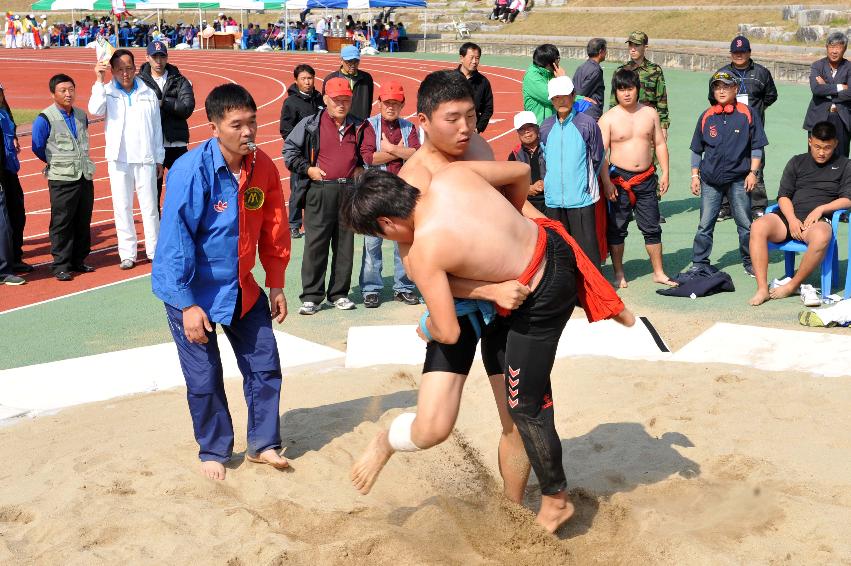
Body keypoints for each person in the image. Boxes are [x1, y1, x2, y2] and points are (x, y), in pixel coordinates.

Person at [343, 162, 631, 535]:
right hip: (549, 251)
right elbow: (520, 173)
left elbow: (446, 331)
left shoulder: (425, 249)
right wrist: (510, 224)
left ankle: (556, 499)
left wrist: (424, 326)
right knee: (509, 375)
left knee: (524, 404)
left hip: (541, 296)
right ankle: (513, 506)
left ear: (385, 224)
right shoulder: (452, 176)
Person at [152, 84, 291, 481]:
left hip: (241, 287)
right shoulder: (189, 172)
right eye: (237, 125)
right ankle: (214, 448)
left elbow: (274, 225)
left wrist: (276, 281)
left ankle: (263, 444)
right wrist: (186, 304)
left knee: (265, 365)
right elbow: (175, 241)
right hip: (192, 290)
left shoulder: (262, 166)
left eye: (252, 123)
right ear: (214, 127)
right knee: (205, 376)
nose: (248, 133)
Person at [283, 77, 376, 315]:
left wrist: (362, 166)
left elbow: (368, 150)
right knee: (316, 245)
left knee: (345, 246)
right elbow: (289, 150)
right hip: (320, 190)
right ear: (325, 99)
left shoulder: (360, 125)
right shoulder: (310, 123)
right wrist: (308, 169)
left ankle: (339, 294)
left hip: (348, 191)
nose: (341, 105)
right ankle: (312, 296)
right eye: (336, 100)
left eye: (346, 100)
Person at [749, 121, 851, 305]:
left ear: (835, 143)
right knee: (758, 226)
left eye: (827, 147)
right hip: (788, 217)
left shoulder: (845, 165)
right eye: (818, 146)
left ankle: (792, 285)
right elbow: (783, 197)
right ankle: (762, 288)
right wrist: (792, 219)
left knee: (821, 236)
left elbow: (847, 200)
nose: (822, 152)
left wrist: (821, 208)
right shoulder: (797, 161)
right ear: (810, 141)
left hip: (817, 221)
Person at [89, 49, 164, 269]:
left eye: (129, 68)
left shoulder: (148, 93)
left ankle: (153, 250)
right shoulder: (107, 92)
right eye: (120, 69)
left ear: (135, 68)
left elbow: (157, 128)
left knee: (150, 207)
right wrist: (98, 79)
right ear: (112, 70)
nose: (125, 73)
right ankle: (127, 254)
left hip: (145, 157)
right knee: (122, 207)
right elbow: (94, 109)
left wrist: (159, 157)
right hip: (119, 158)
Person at [599, 68, 674, 288]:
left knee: (651, 226)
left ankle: (658, 272)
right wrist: (606, 182)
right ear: (616, 92)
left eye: (630, 88)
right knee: (617, 228)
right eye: (621, 89)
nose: (626, 94)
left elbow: (659, 143)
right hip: (618, 180)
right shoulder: (608, 119)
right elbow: (600, 155)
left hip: (646, 178)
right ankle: (619, 273)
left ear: (638, 89)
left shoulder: (650, 113)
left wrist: (666, 172)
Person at [688, 71, 768, 278]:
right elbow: (697, 149)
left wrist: (753, 173)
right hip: (710, 180)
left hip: (739, 179)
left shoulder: (748, 114)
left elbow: (757, 147)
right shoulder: (706, 116)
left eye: (726, 86)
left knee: (745, 224)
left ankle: (750, 262)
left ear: (735, 89)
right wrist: (694, 176)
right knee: (705, 224)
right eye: (717, 87)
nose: (721, 90)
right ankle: (699, 262)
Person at [541, 76, 613, 267]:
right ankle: (567, 293)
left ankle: (592, 292)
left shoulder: (587, 124)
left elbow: (597, 157)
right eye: (556, 97)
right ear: (551, 100)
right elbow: (544, 161)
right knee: (559, 253)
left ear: (573, 96)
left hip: (581, 199)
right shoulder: (545, 127)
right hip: (554, 200)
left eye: (565, 96)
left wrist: (584, 185)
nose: (561, 100)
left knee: (587, 252)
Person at [361, 81, 421, 308]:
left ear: (403, 104)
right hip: (375, 193)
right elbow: (369, 158)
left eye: (395, 103)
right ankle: (371, 288)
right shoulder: (369, 126)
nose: (391, 107)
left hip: (402, 194)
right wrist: (400, 154)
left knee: (402, 244)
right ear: (379, 103)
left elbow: (416, 154)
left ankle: (403, 287)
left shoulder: (409, 127)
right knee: (372, 244)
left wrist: (391, 149)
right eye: (387, 103)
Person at [31, 74, 96, 281]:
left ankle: (78, 260)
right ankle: (60, 264)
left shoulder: (80, 114)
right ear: (53, 94)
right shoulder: (44, 118)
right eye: (63, 91)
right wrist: (55, 162)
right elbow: (37, 146)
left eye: (71, 89)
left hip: (84, 175)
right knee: (62, 222)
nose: (68, 94)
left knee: (82, 219)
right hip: (61, 178)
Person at [713, 35, 778, 221]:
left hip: (753, 129)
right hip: (727, 129)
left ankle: (757, 206)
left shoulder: (761, 72)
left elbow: (771, 95)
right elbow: (714, 98)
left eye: (743, 52)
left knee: (756, 165)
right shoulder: (722, 74)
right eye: (735, 52)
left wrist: (756, 111)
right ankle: (726, 206)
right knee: (727, 164)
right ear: (731, 53)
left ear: (749, 52)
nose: (739, 55)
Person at [138, 40, 195, 215]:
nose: (158, 61)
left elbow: (187, 107)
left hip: (176, 144)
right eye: (154, 56)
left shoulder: (179, 80)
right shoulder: (139, 82)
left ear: (167, 57)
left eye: (162, 56)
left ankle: (180, 221)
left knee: (182, 187)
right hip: (151, 146)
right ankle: (156, 228)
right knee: (152, 192)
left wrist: (163, 102)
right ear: (147, 57)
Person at [279, 64, 323, 240]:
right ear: (296, 80)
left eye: (310, 78)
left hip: (319, 151)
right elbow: (285, 130)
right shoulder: (291, 102)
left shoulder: (320, 99)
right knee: (298, 188)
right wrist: (298, 147)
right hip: (301, 154)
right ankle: (294, 225)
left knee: (318, 188)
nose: (307, 82)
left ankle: (314, 221)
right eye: (304, 79)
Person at [610, 31, 669, 140]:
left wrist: (663, 127)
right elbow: (614, 102)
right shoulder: (620, 71)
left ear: (645, 47)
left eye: (636, 45)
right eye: (630, 45)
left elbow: (661, 100)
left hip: (648, 124)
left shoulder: (655, 70)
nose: (632, 49)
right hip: (625, 124)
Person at [803, 32, 850, 158]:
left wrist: (826, 88)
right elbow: (817, 89)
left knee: (841, 158)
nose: (834, 51)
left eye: (838, 47)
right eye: (831, 47)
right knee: (816, 157)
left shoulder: (849, 67)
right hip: (818, 116)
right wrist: (840, 87)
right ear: (826, 48)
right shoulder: (817, 66)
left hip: (841, 118)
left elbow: (850, 93)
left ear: (844, 49)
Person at [0, 82, 29, 273]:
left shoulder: (3, 112)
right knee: (4, 218)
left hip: (9, 167)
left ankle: (15, 256)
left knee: (16, 210)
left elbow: (8, 114)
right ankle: (5, 264)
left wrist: (14, 135)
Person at [507, 110, 546, 213]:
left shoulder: (549, 148)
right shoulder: (514, 155)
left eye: (530, 127)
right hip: (527, 204)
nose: (526, 131)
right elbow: (509, 185)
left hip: (551, 202)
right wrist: (528, 189)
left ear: (537, 128)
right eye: (522, 129)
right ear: (517, 132)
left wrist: (547, 183)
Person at [323, 45, 374, 121]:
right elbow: (325, 104)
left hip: (360, 123)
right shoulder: (330, 79)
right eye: (349, 61)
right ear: (341, 60)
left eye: (356, 61)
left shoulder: (367, 78)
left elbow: (369, 102)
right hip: (338, 123)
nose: (353, 65)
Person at [455, 42, 494, 134]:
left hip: (471, 131)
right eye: (471, 58)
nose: (474, 61)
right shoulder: (451, 79)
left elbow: (488, 108)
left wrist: (478, 128)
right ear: (461, 58)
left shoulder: (483, 82)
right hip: (451, 130)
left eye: (477, 58)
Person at [522, 44, 563, 124]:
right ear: (548, 64)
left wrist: (581, 98)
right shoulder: (532, 77)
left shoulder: (551, 74)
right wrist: (563, 79)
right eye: (557, 59)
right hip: (538, 128)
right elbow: (553, 98)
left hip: (552, 125)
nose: (558, 61)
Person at [572, 38, 607, 121]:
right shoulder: (596, 70)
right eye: (605, 50)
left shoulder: (581, 67)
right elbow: (581, 92)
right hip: (590, 114)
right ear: (601, 51)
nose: (606, 53)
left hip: (578, 111)